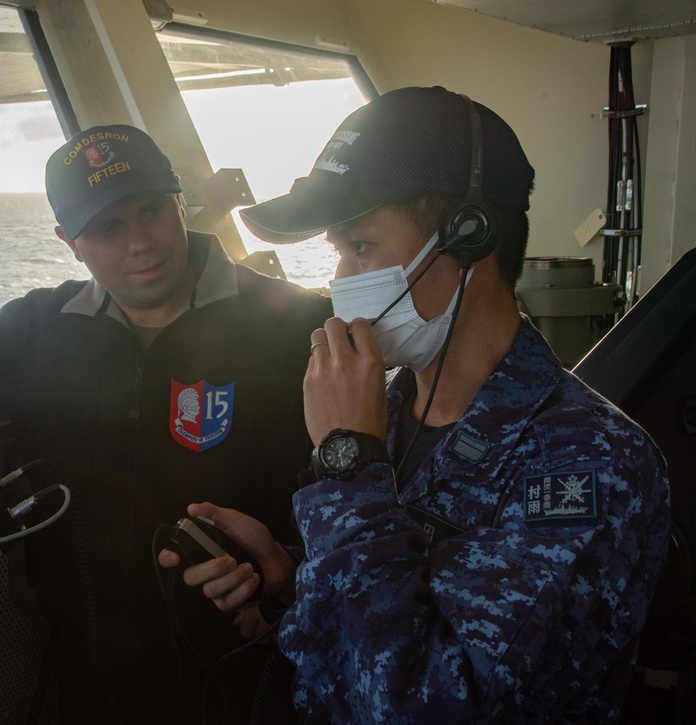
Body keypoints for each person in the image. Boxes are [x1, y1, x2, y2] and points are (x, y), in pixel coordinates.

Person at [159, 86, 671, 723]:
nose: (340, 280)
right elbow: (375, 622)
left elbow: (432, 706)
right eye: (335, 252)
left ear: (468, 236)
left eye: (362, 246)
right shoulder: (388, 414)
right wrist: (288, 580)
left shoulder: (593, 462)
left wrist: (346, 472)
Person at [0, 125, 332, 723]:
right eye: (106, 229)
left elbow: (358, 476)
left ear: (181, 202)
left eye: (152, 210)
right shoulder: (41, 328)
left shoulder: (297, 324)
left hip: (244, 653)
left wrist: (288, 576)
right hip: (89, 656)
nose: (141, 243)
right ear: (70, 242)